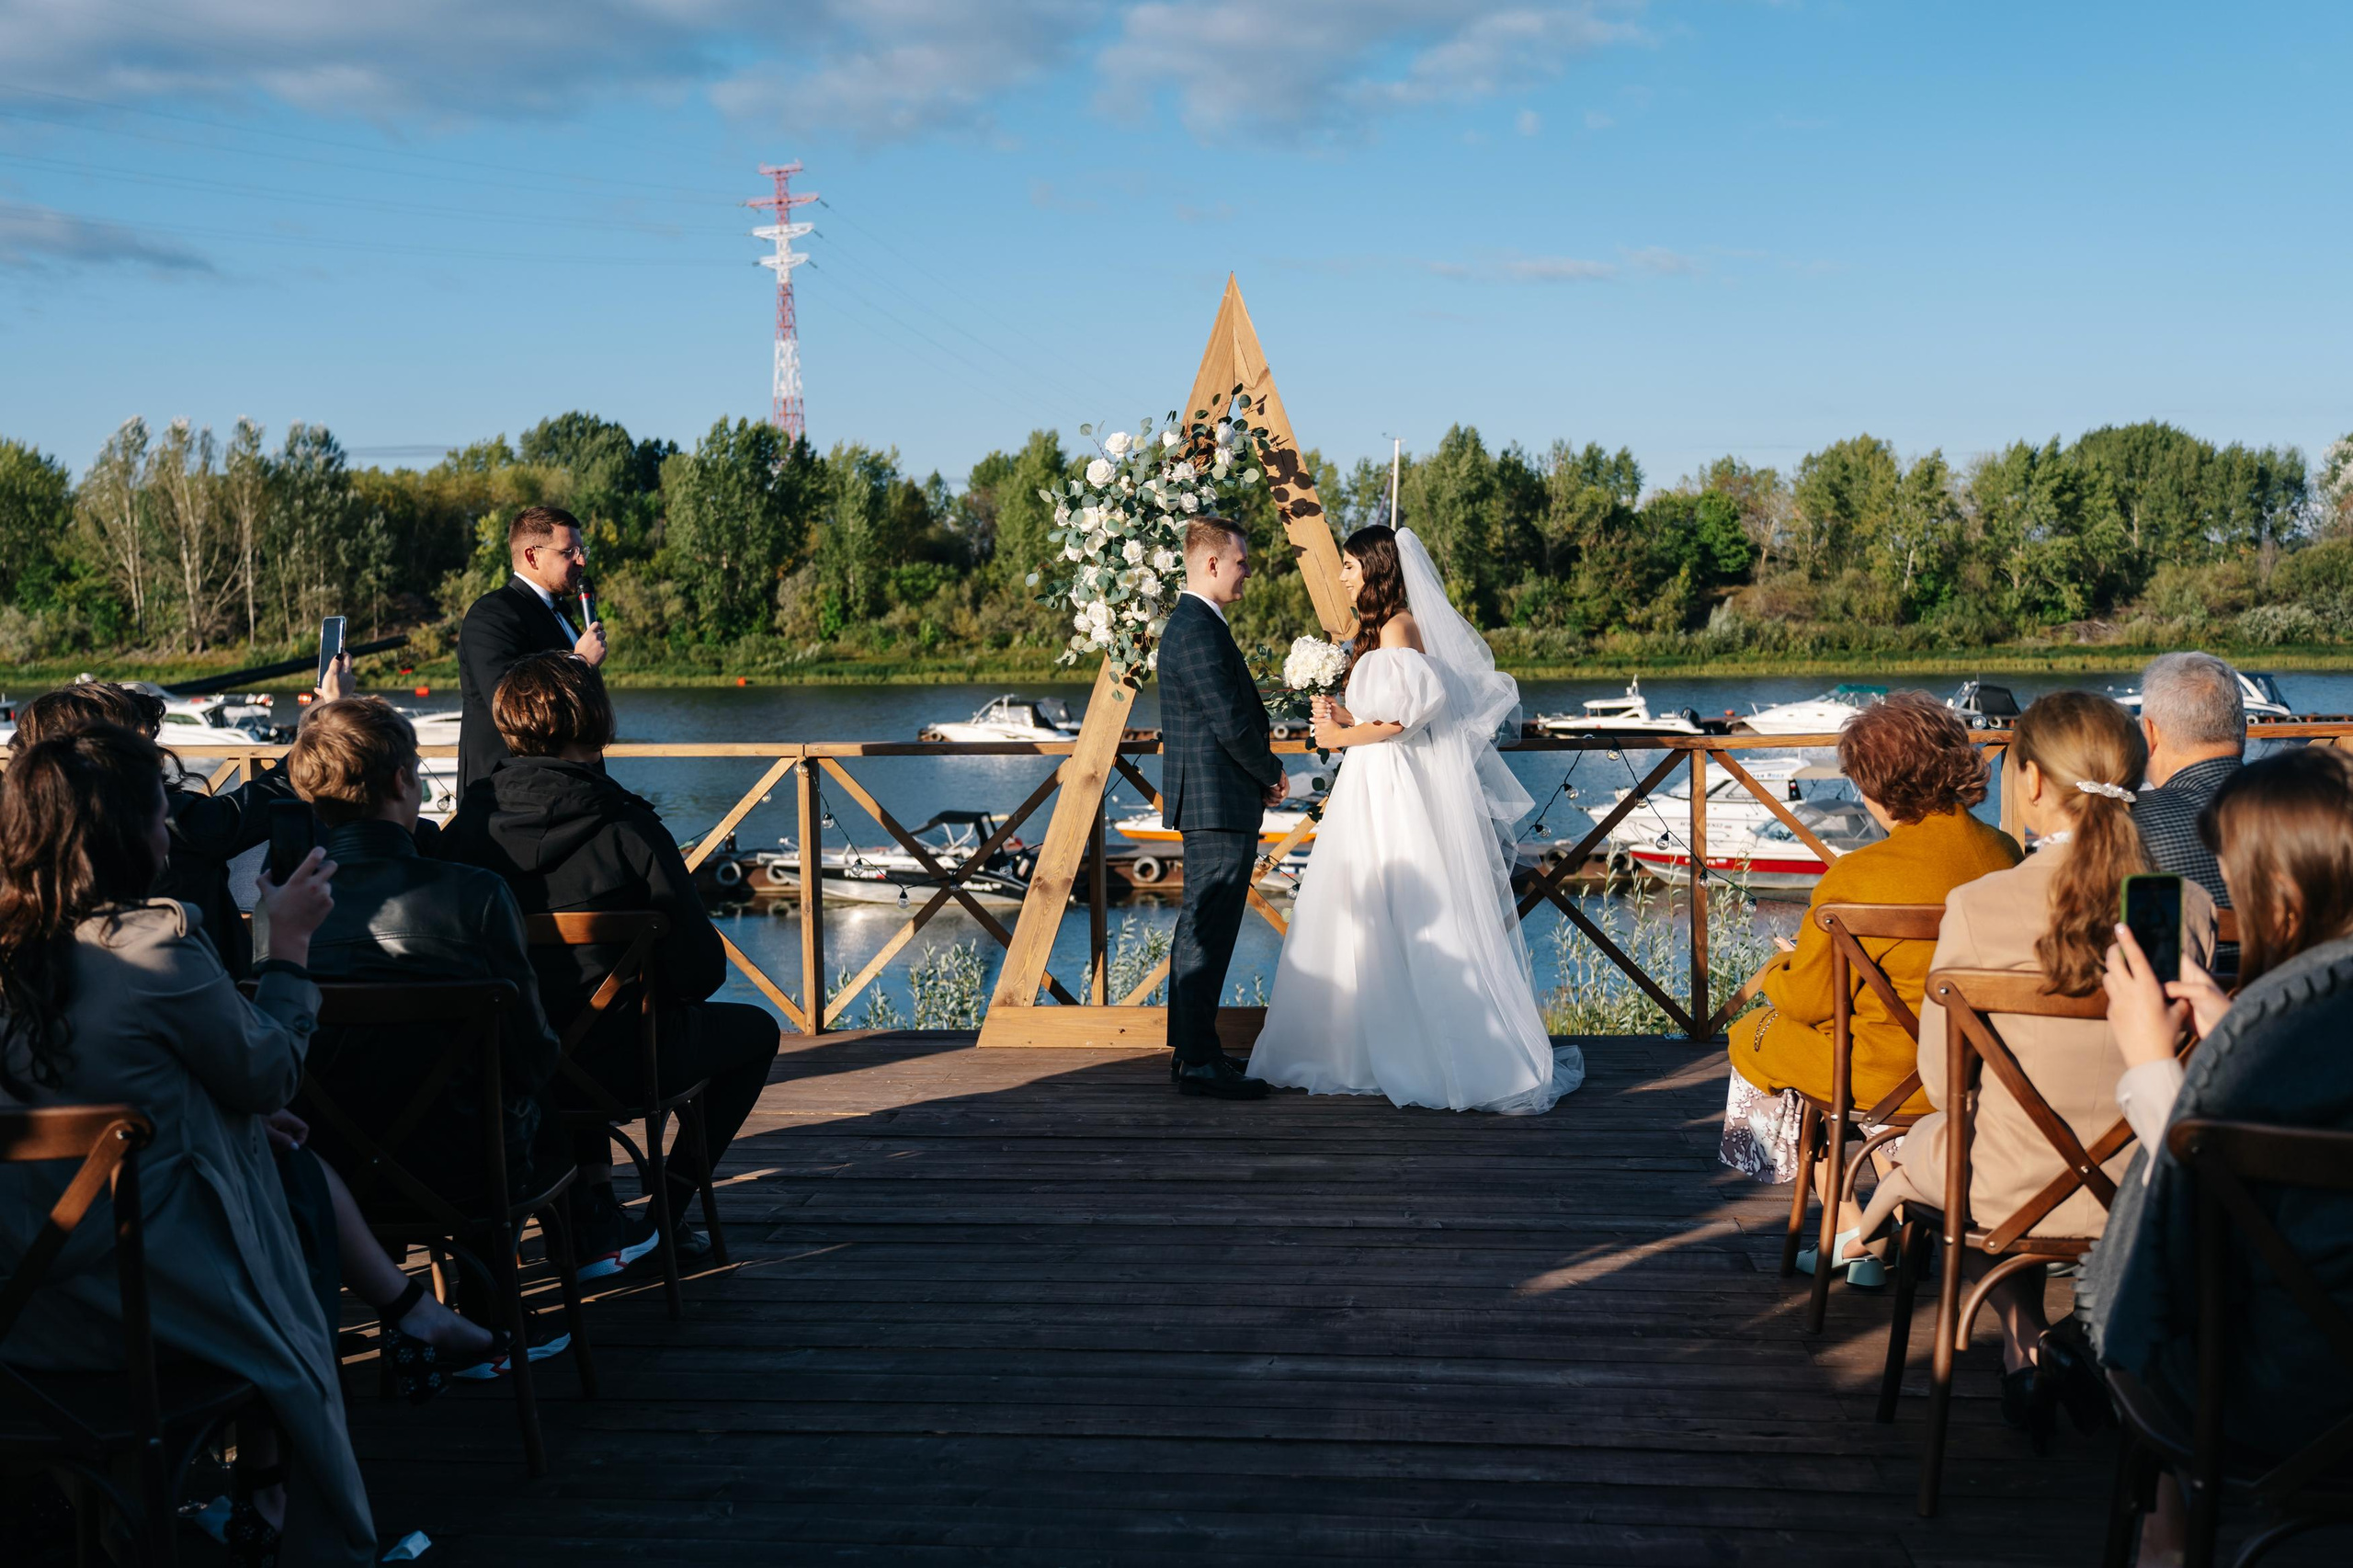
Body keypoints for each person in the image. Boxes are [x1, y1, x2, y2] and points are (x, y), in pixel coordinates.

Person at [0, 725, 377, 1564]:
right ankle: (288, 1513)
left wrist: (216, 1117)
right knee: (294, 1208)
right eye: (163, 818)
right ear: (124, 837)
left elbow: (99, 1085)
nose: (170, 837)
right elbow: (272, 1074)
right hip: (143, 1323)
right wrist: (288, 949)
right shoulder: (154, 952)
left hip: (19, 1327)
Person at [1832, 691, 2214, 1447]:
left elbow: (1944, 1086)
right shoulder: (2181, 906)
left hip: (2006, 1187)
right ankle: (2059, 1347)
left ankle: (2024, 1341)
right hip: (2141, 1188)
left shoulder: (1978, 907)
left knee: (1955, 1150)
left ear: (2032, 781)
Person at [2092, 746, 2353, 1564]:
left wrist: (2148, 1064)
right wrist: (2230, 1030)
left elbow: (2198, 1214)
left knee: (2163, 1319)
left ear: (2281, 895)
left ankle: (2167, 1549)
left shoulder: (2275, 1029)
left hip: (2288, 1396)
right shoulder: (2289, 1017)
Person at [443, 653, 778, 1266]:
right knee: (756, 1032)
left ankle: (590, 1208)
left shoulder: (466, 832)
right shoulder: (628, 828)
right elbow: (702, 971)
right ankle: (664, 1216)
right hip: (627, 1063)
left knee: (560, 1014)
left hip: (506, 1065)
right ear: (595, 720)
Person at [1249, 524, 1585, 1114]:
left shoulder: (1401, 626)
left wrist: (1340, 732)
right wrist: (1336, 707)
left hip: (1391, 786)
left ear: (1378, 569)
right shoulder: (1377, 633)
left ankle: (1429, 1054)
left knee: (1400, 906)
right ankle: (1352, 1046)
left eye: (1351, 566)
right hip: (1371, 782)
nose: (1344, 576)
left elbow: (1408, 718)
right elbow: (1384, 712)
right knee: (1361, 905)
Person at [1717, 691, 2022, 1268]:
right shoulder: (2003, 854)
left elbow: (1807, 1002)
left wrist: (1776, 970)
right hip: (1972, 1065)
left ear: (1877, 787)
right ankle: (1894, 1214)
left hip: (1876, 1068)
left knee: (1753, 1038)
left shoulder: (1856, 877)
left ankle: (1859, 1238)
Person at [281, 698, 577, 1286]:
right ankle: (494, 1300)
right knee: (546, 1113)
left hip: (326, 1168)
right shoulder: (478, 892)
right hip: (468, 1169)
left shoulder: (282, 913)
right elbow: (531, 1058)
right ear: (402, 780)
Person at [9, 666, 352, 976]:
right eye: (138, 745)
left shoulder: (24, 841)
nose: (152, 755)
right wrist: (328, 714)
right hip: (210, 1000)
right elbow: (271, 794)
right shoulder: (167, 824)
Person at [1154, 517, 1287, 1100]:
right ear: (1211, 563)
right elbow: (1230, 721)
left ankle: (1194, 1051)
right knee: (1207, 929)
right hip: (1216, 800)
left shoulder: (1194, 624)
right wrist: (1271, 771)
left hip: (1213, 797)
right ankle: (1198, 1060)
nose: (1248, 570)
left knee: (1201, 927)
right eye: (1241, 561)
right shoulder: (1197, 629)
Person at [458, 505, 606, 792]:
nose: (581, 562)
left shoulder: (559, 611)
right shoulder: (491, 615)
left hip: (569, 792)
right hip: (509, 801)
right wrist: (580, 662)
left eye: (581, 551)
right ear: (532, 556)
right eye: (568, 552)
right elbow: (510, 707)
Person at [2131, 651, 2245, 972]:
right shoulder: (2306, 810)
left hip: (2182, 1014)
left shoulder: (2129, 823)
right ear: (2241, 727)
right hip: (2297, 1010)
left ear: (2150, 733)